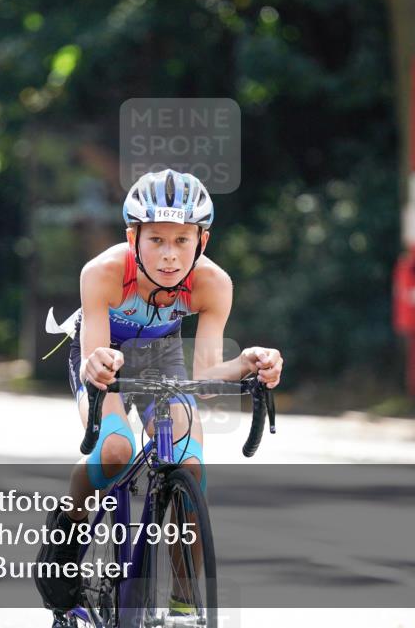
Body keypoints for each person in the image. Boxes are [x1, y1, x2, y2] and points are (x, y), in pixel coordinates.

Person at [35, 169, 284, 613]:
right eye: (157, 241)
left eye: (182, 241)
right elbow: (94, 350)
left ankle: (185, 604)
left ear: (201, 242)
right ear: (133, 237)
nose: (170, 256)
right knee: (115, 450)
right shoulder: (103, 272)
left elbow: (206, 375)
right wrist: (100, 362)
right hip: (104, 355)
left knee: (188, 462)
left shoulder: (214, 283)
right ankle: (66, 537)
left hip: (160, 355)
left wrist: (249, 362)